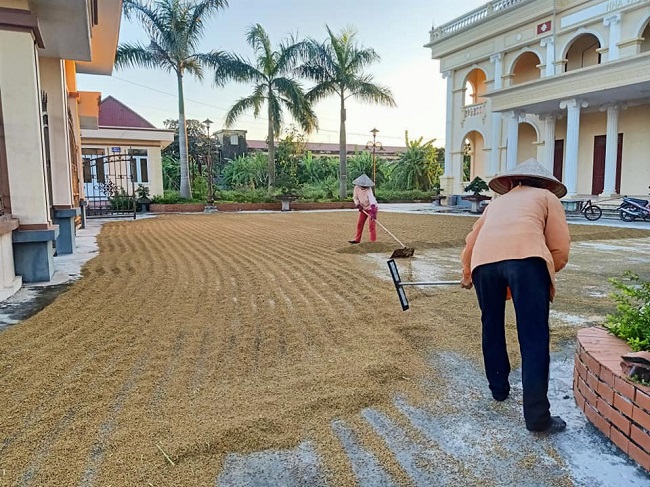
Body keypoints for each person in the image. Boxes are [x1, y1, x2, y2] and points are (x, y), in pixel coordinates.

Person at [460, 158, 571, 433]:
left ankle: (498, 389)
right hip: (528, 261)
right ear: (546, 184)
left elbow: (472, 240)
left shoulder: (496, 203)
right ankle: (537, 418)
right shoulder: (547, 198)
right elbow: (559, 247)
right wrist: (546, 271)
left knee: (491, 326)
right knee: (533, 337)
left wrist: (467, 273)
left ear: (511, 182)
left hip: (483, 264)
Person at [348, 174, 378, 244]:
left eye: (366, 186)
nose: (365, 187)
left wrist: (373, 212)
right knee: (360, 224)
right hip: (363, 208)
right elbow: (355, 198)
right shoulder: (356, 188)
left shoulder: (369, 189)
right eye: (363, 186)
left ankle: (373, 242)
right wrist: (358, 205)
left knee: (371, 226)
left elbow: (372, 199)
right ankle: (357, 240)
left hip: (372, 208)